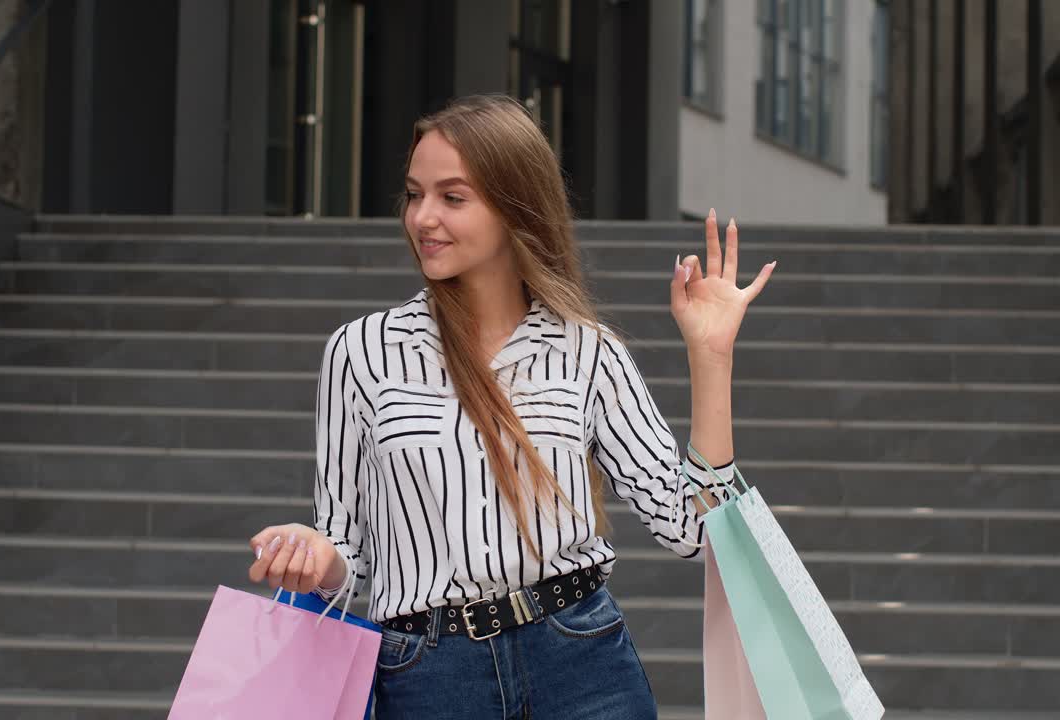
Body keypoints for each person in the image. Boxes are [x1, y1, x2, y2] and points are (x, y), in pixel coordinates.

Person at [246, 93, 775, 719]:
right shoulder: (361, 352)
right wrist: (313, 556)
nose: (422, 217)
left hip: (582, 665)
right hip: (428, 677)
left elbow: (692, 529)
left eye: (452, 196)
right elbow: (346, 549)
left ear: (513, 204)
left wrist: (711, 357)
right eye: (415, 194)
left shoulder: (587, 352)